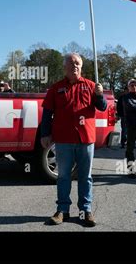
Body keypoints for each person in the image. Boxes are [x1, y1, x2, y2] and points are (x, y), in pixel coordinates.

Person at [41, 53, 107, 227]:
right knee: (63, 176)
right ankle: (63, 210)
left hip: (86, 138)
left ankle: (85, 210)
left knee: (85, 177)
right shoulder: (55, 89)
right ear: (65, 67)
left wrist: (100, 95)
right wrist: (45, 134)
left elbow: (102, 107)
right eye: (71, 63)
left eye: (78, 63)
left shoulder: (92, 86)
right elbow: (47, 113)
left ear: (81, 67)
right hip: (63, 140)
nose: (75, 66)